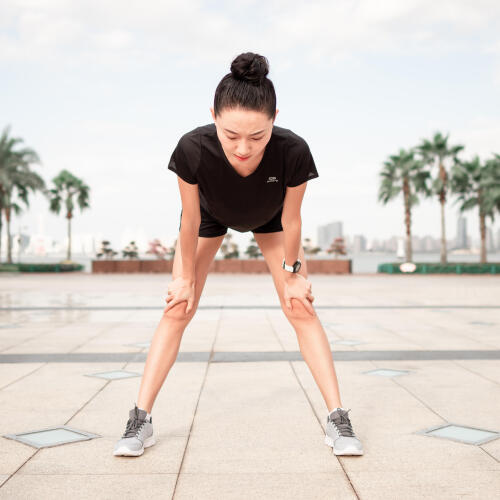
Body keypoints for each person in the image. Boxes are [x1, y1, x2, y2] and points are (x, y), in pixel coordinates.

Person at [113, 52, 363, 457]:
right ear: (213, 116)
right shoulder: (192, 148)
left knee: (300, 306)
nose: (244, 148)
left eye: (258, 136)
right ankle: (140, 419)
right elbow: (189, 222)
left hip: (271, 220)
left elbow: (293, 220)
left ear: (274, 119)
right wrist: (184, 278)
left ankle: (338, 419)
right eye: (231, 136)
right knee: (177, 307)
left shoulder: (294, 150)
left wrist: (293, 271)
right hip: (210, 218)